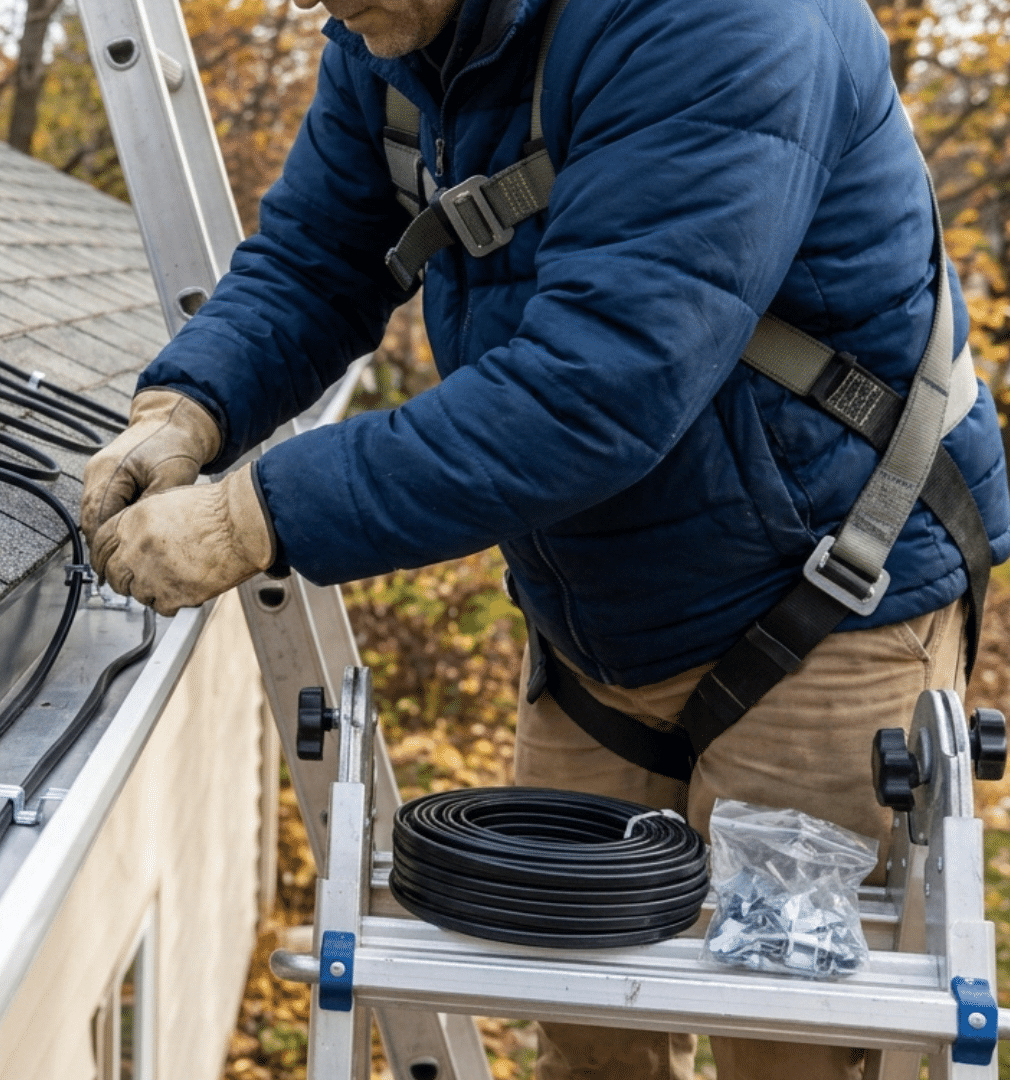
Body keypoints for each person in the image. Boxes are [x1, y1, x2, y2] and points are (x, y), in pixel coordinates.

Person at [77, 0, 1010, 1075]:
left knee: (790, 1037)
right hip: (599, 632)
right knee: (582, 1022)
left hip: (822, 609)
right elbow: (318, 260)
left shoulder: (724, 22)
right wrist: (188, 409)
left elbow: (599, 390)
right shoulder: (399, 37)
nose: (325, 6)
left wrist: (254, 516)